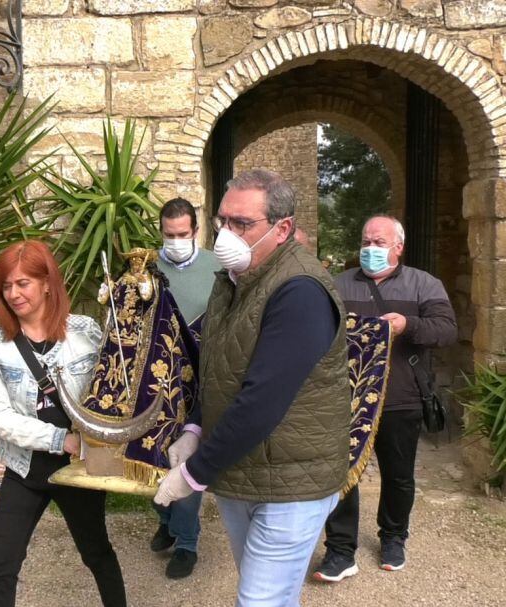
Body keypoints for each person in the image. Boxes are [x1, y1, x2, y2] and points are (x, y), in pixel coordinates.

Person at [153, 169, 351, 606]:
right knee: (271, 597)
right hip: (244, 471)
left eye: (242, 224)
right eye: (224, 221)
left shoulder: (300, 291)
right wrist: (194, 430)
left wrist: (192, 474)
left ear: (282, 229)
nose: (227, 234)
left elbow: (261, 401)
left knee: (258, 600)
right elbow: (221, 367)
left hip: (292, 479)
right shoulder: (232, 280)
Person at [0, 240, 126, 607]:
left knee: (96, 553)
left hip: (77, 471)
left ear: (47, 283)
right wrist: (62, 439)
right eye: (6, 286)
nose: (13, 294)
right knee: (1, 565)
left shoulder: (85, 332)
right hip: (24, 467)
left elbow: (115, 385)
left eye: (23, 283)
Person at [313, 215, 457, 581]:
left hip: (401, 397)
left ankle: (393, 537)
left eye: (378, 242)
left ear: (398, 247)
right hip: (346, 398)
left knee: (398, 475)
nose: (370, 249)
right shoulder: (337, 284)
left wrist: (409, 326)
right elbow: (314, 329)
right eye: (365, 242)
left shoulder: (424, 284)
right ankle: (341, 550)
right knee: (342, 475)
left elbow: (446, 331)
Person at [150, 197, 222, 579]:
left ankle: (187, 544)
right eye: (168, 235)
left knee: (187, 458)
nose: (175, 241)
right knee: (151, 454)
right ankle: (164, 518)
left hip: (202, 380)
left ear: (195, 231)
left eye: (182, 234)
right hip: (155, 381)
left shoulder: (219, 267)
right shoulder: (145, 267)